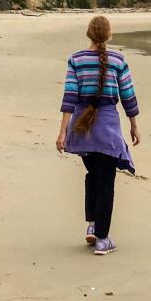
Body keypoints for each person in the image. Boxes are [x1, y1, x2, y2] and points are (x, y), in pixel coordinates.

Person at [55, 15, 141, 255]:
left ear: (89, 34)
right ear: (109, 35)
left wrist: (62, 132)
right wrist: (134, 125)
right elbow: (128, 96)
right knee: (106, 181)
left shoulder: (76, 60)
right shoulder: (118, 60)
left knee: (93, 173)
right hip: (108, 129)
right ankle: (102, 239)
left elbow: (69, 99)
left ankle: (93, 225)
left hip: (81, 130)